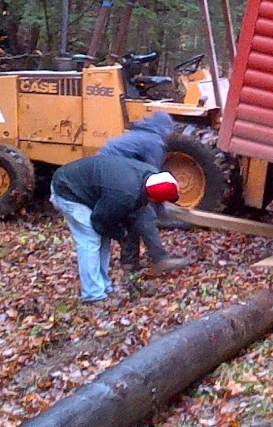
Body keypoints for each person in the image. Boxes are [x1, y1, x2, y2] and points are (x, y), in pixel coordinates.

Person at [49, 156, 181, 303]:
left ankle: (104, 288)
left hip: (89, 187)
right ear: (153, 198)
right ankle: (93, 295)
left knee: (104, 238)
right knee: (90, 239)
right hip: (67, 188)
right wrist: (121, 234)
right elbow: (99, 222)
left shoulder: (150, 175)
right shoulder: (124, 195)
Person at [97, 112, 177, 271]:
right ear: (164, 129)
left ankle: (129, 262)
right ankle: (160, 259)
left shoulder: (139, 134)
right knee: (144, 213)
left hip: (103, 173)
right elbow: (154, 177)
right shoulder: (153, 141)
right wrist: (163, 204)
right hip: (113, 175)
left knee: (130, 213)